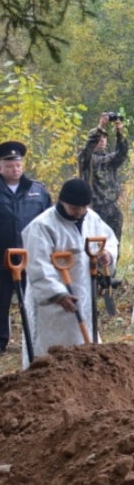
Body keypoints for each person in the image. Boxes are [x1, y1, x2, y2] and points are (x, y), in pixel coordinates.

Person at [20, 179, 117, 369]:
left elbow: (109, 239)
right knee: (54, 343)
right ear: (62, 202)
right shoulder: (42, 226)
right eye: (74, 208)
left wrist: (107, 255)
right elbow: (37, 265)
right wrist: (57, 294)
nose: (80, 212)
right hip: (54, 298)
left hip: (83, 288)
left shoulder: (92, 218)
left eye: (83, 207)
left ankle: (83, 375)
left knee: (82, 336)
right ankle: (48, 375)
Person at [0, 141, 51, 353]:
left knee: (33, 300)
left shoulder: (37, 191)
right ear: (1, 166)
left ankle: (34, 339)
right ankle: (1, 341)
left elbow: (50, 221)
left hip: (31, 257)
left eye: (18, 164)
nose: (15, 169)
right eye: (10, 165)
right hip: (2, 258)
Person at [77, 112, 128, 250]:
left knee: (113, 248)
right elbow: (87, 149)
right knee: (92, 249)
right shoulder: (85, 159)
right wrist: (100, 126)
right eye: (99, 138)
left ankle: (111, 272)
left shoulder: (109, 160)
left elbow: (122, 153)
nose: (102, 140)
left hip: (112, 208)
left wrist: (119, 131)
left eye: (105, 137)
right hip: (93, 208)